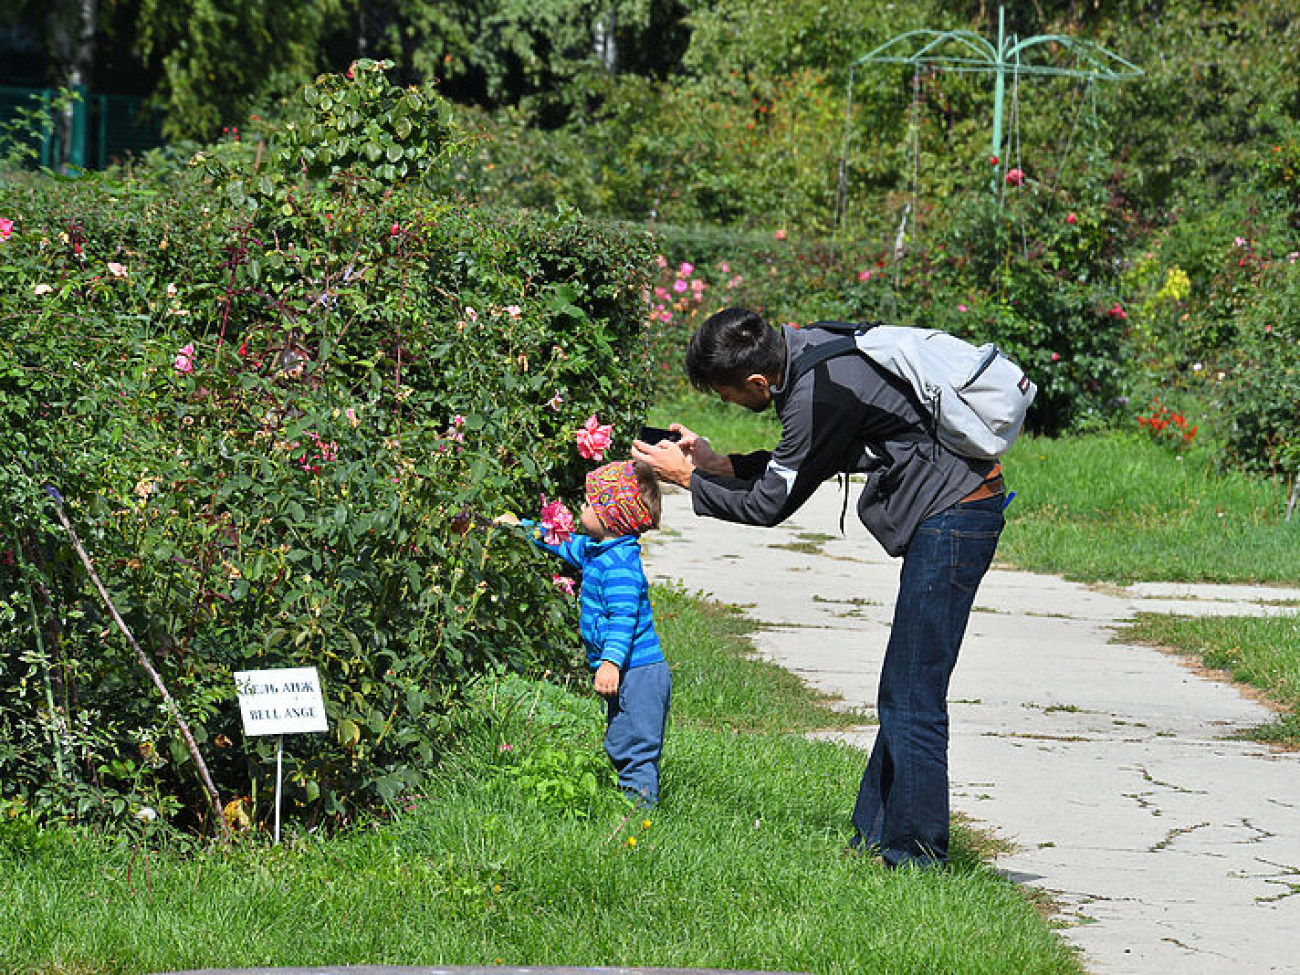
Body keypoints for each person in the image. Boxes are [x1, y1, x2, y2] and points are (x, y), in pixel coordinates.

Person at [632, 307, 1006, 868]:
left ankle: (917, 857)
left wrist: (689, 480)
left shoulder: (814, 394)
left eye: (730, 396)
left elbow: (770, 505)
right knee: (904, 687)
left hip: (955, 517)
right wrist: (719, 465)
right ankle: (875, 838)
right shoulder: (812, 348)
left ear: (759, 381)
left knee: (913, 694)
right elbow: (800, 463)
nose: (731, 405)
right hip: (954, 511)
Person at [510, 459, 672, 806]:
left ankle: (640, 818)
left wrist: (610, 663)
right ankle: (628, 806)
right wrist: (520, 527)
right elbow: (561, 543)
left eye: (588, 503)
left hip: (638, 673)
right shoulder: (599, 550)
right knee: (620, 742)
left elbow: (623, 619)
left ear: (610, 516)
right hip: (626, 671)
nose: (581, 507)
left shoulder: (620, 568)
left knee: (636, 749)